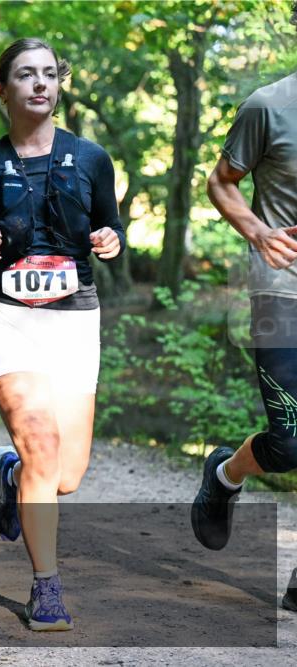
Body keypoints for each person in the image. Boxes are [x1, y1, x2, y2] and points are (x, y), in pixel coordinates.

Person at [0, 39, 125, 631]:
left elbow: (111, 226)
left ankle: (12, 476)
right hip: (5, 316)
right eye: (25, 75)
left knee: (65, 476)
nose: (39, 84)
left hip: (74, 316)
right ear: (3, 90)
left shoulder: (91, 159)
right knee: (41, 442)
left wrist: (110, 241)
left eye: (48, 74)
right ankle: (46, 588)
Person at [190, 59, 296, 613]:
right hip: (283, 287)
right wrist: (258, 231)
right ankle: (225, 472)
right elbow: (220, 180)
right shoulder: (268, 105)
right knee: (293, 439)